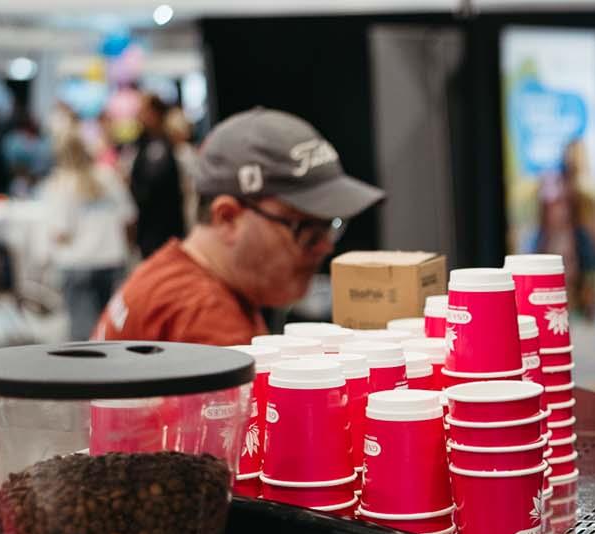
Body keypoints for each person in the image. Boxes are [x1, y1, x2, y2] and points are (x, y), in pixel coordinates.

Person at [96, 108, 381, 346]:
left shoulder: (172, 277)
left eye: (331, 225)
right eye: (305, 228)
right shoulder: (204, 319)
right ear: (228, 218)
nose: (325, 246)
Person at [43, 134, 134, 341]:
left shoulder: (62, 183)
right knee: (113, 333)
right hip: (111, 260)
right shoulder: (109, 176)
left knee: (84, 342)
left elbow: (60, 231)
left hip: (77, 264)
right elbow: (128, 217)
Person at [128, 93, 187, 259]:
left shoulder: (162, 144)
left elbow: (152, 186)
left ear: (155, 113)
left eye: (143, 111)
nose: (139, 116)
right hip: (147, 226)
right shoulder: (143, 142)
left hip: (162, 227)